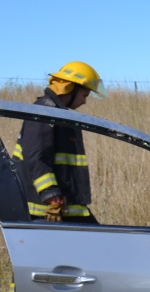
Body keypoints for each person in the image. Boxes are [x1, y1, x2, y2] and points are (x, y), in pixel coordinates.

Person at [13, 61, 106, 223]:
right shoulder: (44, 113)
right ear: (71, 88)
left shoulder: (57, 114)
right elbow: (35, 157)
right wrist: (51, 195)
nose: (84, 102)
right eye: (84, 95)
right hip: (48, 210)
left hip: (65, 206)